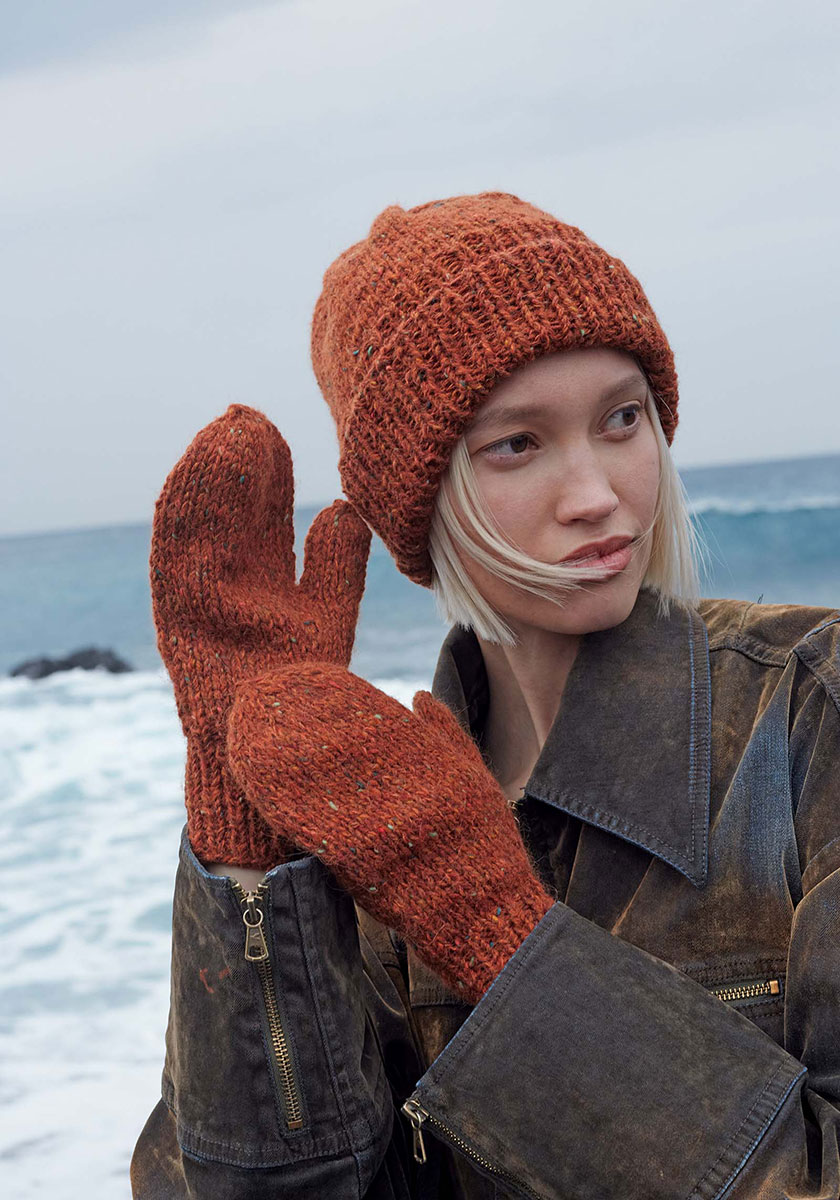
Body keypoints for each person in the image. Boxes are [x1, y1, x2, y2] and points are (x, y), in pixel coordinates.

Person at [131, 192, 840, 1199]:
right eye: (517, 443)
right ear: (417, 497)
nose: (597, 493)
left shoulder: (811, 710)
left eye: (623, 418)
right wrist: (249, 847)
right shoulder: (376, 821)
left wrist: (505, 942)